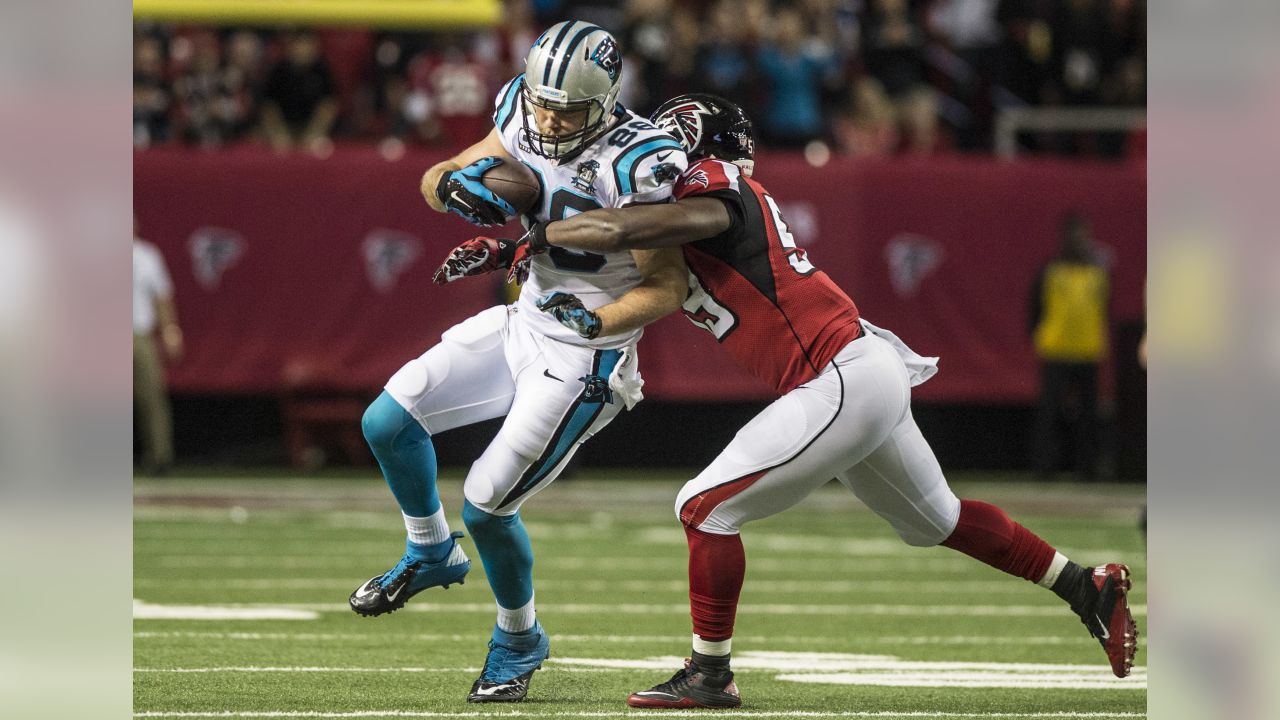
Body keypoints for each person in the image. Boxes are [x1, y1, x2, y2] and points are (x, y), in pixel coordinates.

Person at [439, 93, 1139, 708]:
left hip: (840, 374)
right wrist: (513, 256)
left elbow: (625, 230)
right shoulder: (700, 199)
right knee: (939, 521)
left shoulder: (713, 188)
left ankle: (710, 675)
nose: (641, 167)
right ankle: (1086, 587)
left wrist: (536, 231)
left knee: (704, 508)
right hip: (856, 371)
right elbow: (628, 251)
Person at [351, 21, 689, 703]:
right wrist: (453, 189)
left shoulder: (642, 161)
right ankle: (428, 552)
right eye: (543, 103)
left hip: (589, 357)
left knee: (487, 504)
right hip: (525, 319)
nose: (549, 120)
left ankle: (518, 635)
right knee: (387, 421)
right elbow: (437, 175)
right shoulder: (521, 105)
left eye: (568, 110)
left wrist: (593, 319)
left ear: (606, 101)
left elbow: (668, 287)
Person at [1029, 213, 1110, 480]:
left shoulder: (1097, 271)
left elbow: (1104, 308)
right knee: (1050, 413)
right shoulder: (1050, 269)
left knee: (1089, 414)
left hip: (1087, 350)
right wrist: (1039, 335)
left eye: (1084, 234)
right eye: (1076, 234)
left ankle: (1087, 469)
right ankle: (1044, 469)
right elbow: (1035, 308)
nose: (1080, 240)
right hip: (1055, 349)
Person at [133, 223, 183, 475]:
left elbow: (162, 295)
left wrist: (170, 329)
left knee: (151, 396)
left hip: (138, 333)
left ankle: (160, 458)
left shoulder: (147, 256)